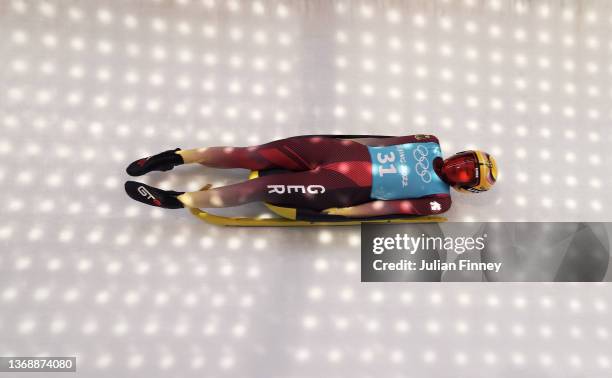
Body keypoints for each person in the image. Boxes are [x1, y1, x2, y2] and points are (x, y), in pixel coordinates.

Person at [124, 134, 497, 217]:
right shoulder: (428, 141)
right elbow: (382, 140)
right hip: (337, 152)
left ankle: (179, 200)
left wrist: (347, 213)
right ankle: (174, 157)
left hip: (343, 185)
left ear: (466, 187)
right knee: (251, 154)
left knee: (262, 186)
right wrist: (341, 141)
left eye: (465, 174)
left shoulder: (439, 200)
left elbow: (393, 207)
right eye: (463, 161)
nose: (456, 168)